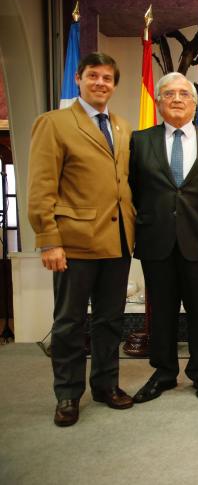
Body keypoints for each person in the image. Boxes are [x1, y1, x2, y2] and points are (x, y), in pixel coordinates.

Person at [27, 52, 135, 426]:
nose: (101, 83)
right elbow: (41, 186)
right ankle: (68, 394)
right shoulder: (54, 123)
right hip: (73, 242)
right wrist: (48, 239)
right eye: (93, 76)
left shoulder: (121, 125)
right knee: (70, 321)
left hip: (117, 240)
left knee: (110, 320)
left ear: (114, 85)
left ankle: (106, 385)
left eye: (107, 78)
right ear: (78, 79)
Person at [128, 72, 198, 403]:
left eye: (184, 94)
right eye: (169, 93)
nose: (176, 99)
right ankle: (164, 373)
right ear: (158, 101)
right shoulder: (140, 141)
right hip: (156, 239)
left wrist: (197, 217)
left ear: (194, 102)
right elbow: (132, 187)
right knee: (161, 311)